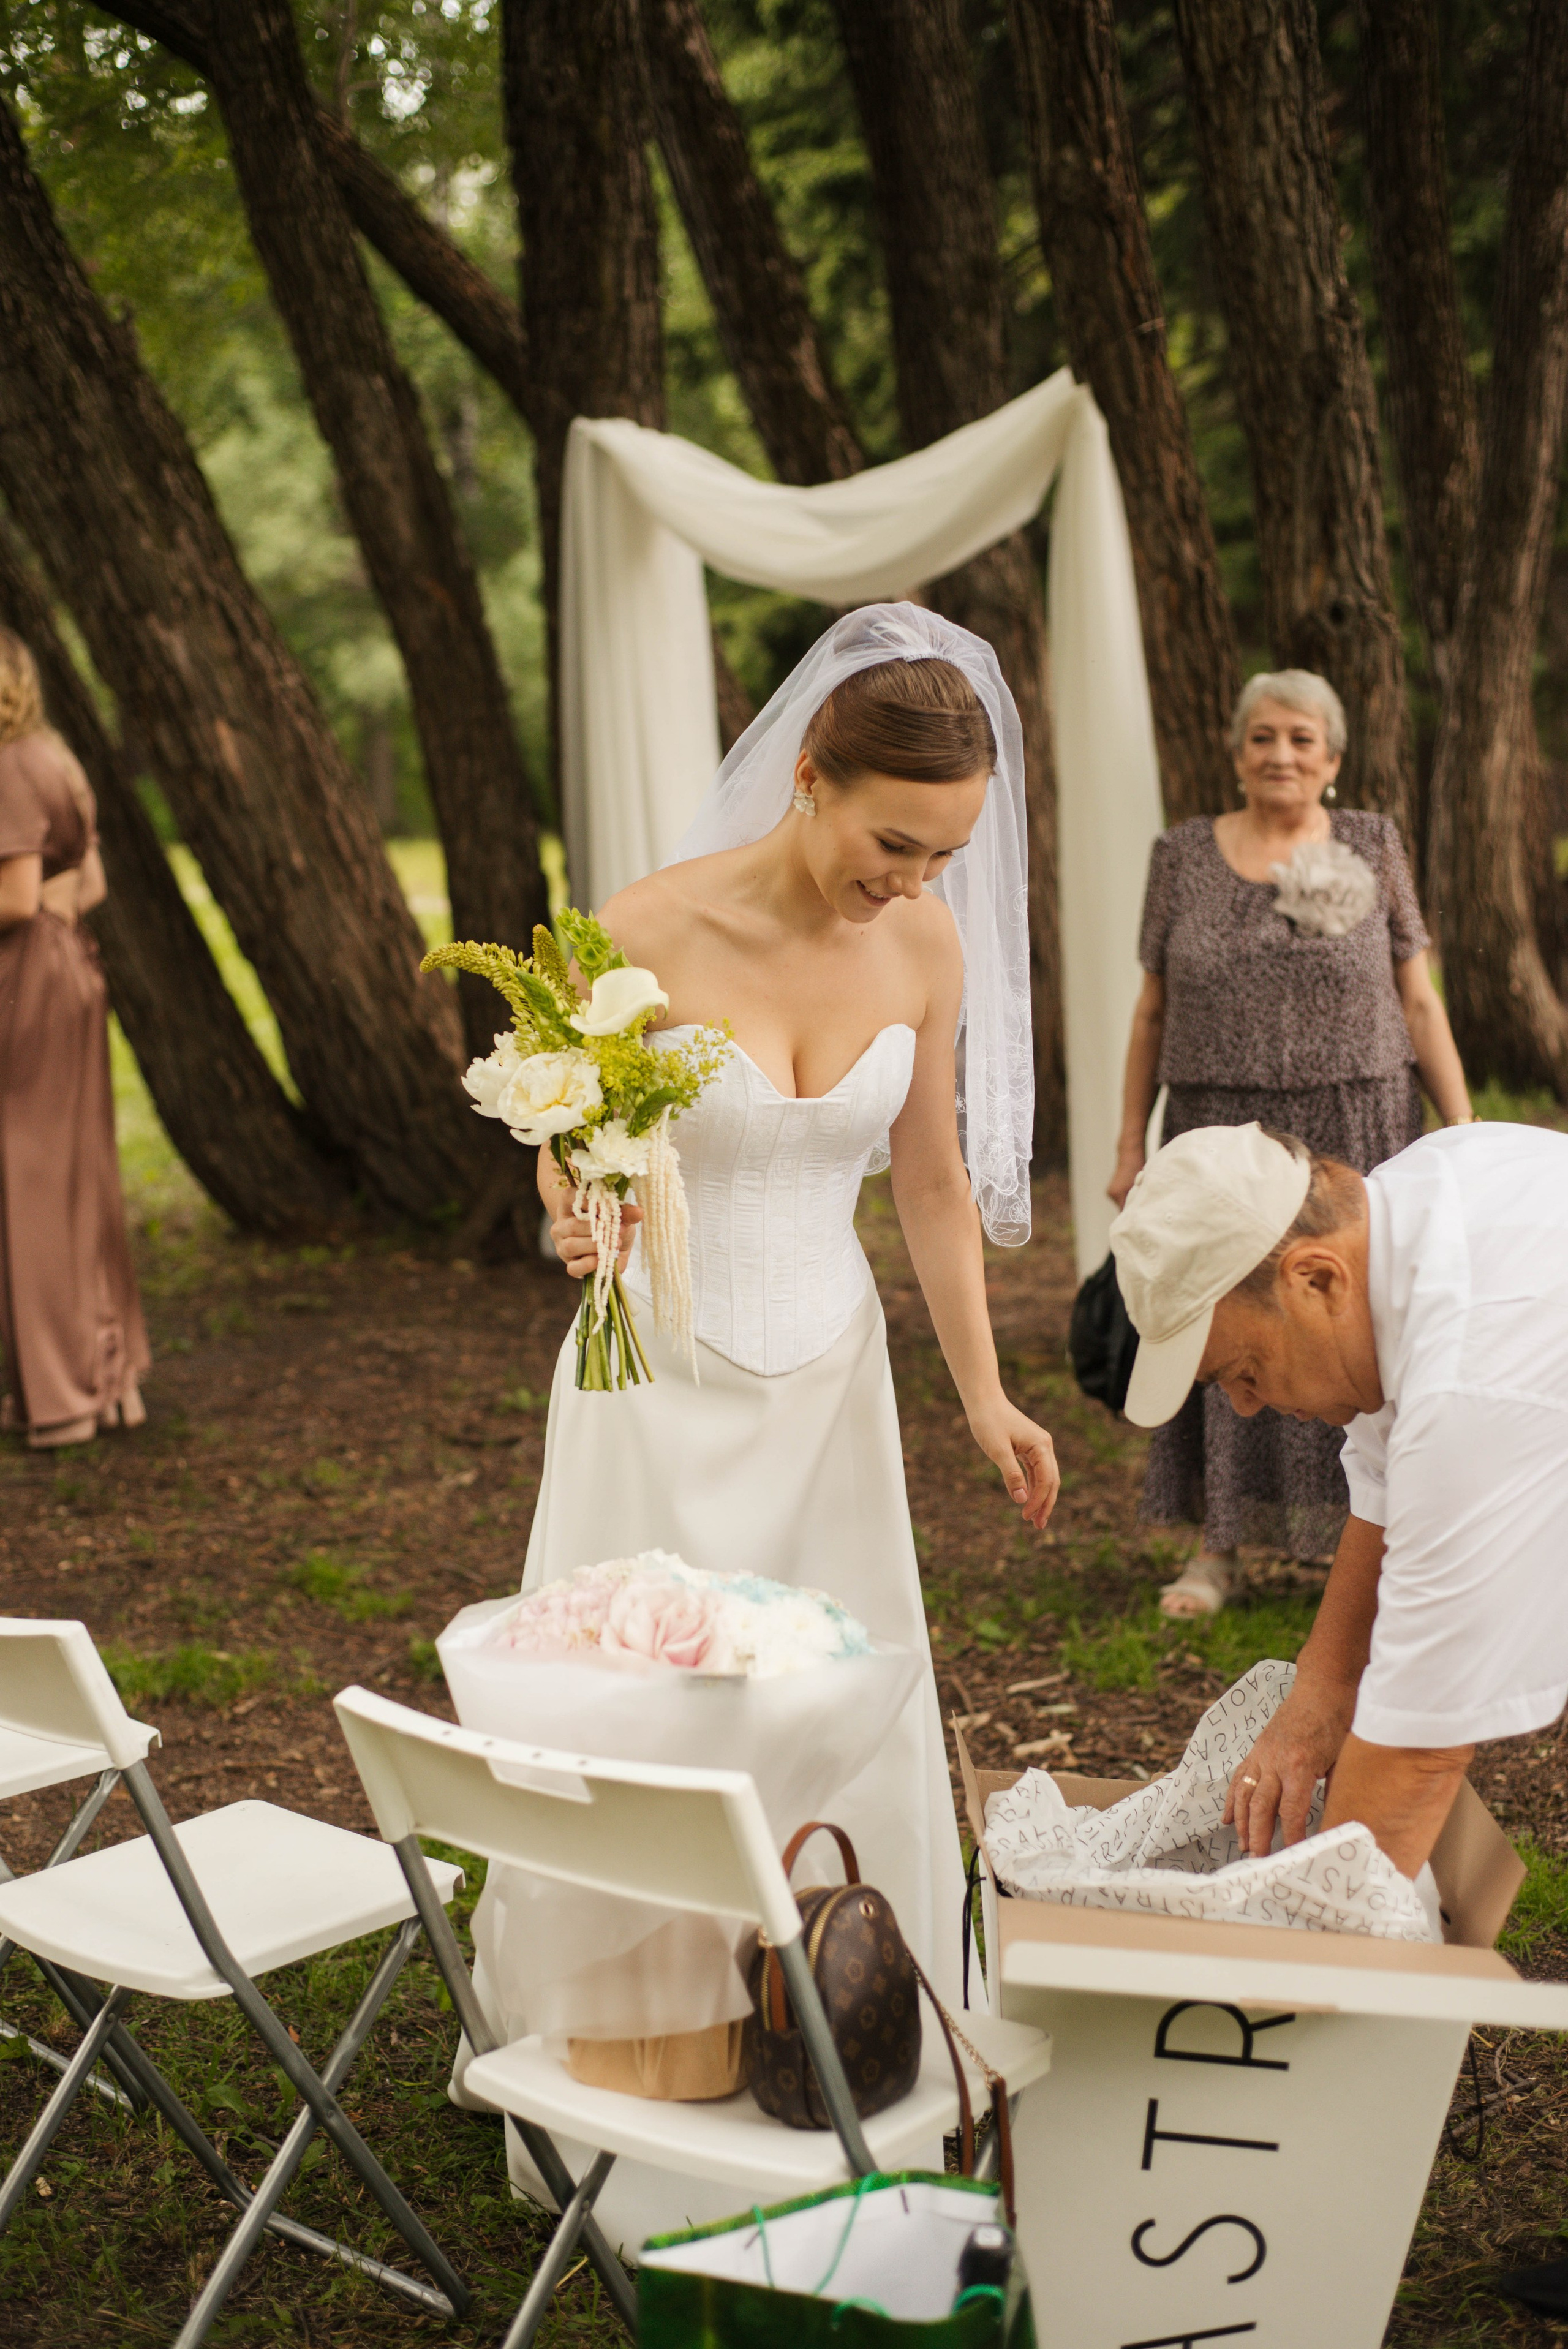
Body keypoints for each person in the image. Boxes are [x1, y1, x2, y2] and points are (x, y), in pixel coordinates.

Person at [521, 605, 1057, 2012]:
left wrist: (983, 1393)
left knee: (827, 1703)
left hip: (828, 1381)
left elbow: (930, 1186)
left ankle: (839, 2010)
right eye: (896, 843)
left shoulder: (924, 949)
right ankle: (645, 2024)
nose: (917, 878)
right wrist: (565, 1199)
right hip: (655, 1387)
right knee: (654, 1703)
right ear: (811, 770)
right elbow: (563, 1128)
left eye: (945, 852)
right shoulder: (640, 927)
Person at [1110, 1116, 1568, 1877]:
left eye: (1245, 1367)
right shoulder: (1398, 1218)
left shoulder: (1467, 1377)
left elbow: (1418, 1747)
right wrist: (1319, 1693)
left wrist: (1304, 1955)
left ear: (1315, 1277)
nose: (1247, 1406)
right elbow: (1387, 1477)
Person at [1109, 669, 1471, 1619]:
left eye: (1303, 738)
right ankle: (1217, 1545)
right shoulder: (1181, 854)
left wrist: (1465, 1126)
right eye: (1263, 736)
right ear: (1237, 752)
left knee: (1352, 1329)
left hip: (1355, 1122)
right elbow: (1151, 1009)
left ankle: (1371, 1548)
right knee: (1227, 1331)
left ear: (1334, 759)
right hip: (1219, 1133)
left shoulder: (1373, 843)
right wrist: (1125, 1143)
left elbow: (1419, 998)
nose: (1281, 753)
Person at [0, 630, 148, 1448]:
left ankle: (59, 1396)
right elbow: (83, 881)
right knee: (75, 1169)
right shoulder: (52, 755)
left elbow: (18, 897)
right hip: (68, 970)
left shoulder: (10, 765)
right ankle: (107, 1375)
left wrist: (37, 905)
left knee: (33, 1173)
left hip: (27, 975)